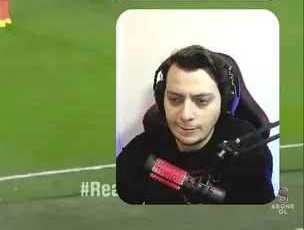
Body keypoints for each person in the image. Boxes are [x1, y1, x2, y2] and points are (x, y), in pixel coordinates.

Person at [116, 45, 276, 204]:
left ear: (223, 102)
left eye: (202, 101)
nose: (186, 115)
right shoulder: (145, 146)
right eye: (175, 99)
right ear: (161, 99)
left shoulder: (249, 149)